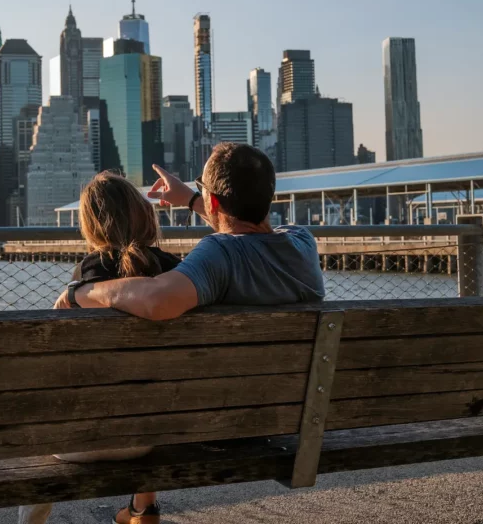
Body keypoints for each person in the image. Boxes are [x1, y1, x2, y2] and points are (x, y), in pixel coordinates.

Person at [53, 142, 325, 523]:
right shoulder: (303, 243)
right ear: (270, 195)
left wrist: (79, 291)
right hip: (284, 421)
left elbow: (158, 301)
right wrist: (196, 199)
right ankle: (139, 504)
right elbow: (246, 231)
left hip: (216, 427)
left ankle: (140, 505)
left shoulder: (217, 256)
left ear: (214, 203)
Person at [17, 171, 181, 524]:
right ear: (145, 214)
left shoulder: (83, 282)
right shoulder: (179, 279)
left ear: (92, 227)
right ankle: (144, 505)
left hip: (76, 443)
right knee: (147, 388)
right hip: (149, 438)